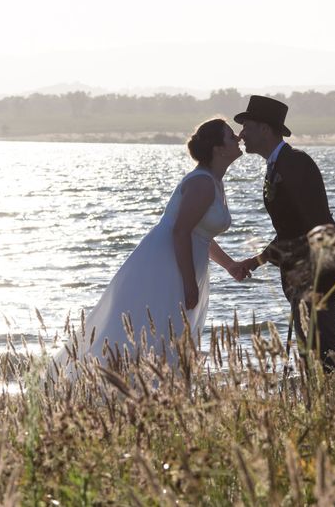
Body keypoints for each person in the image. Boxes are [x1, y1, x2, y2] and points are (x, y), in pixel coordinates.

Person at [52, 118, 250, 379]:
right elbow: (180, 232)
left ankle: (154, 395)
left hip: (185, 263)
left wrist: (230, 265)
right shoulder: (202, 183)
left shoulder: (213, 181)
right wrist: (189, 284)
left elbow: (199, 235)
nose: (238, 138)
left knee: (169, 337)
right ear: (218, 148)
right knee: (155, 331)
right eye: (231, 135)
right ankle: (107, 386)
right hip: (167, 266)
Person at [235, 95, 335, 374]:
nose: (241, 134)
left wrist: (256, 261)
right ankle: (327, 410)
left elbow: (308, 227)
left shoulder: (296, 163)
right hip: (301, 273)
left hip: (318, 271)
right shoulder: (277, 165)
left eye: (247, 126)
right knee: (311, 354)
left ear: (265, 129)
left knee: (324, 353)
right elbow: (291, 229)